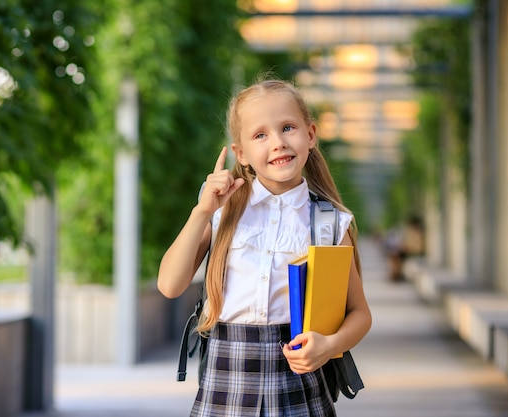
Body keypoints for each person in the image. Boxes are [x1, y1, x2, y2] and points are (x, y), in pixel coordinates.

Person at [157, 77, 372, 417]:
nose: (278, 143)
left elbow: (360, 313)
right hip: (225, 386)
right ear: (240, 153)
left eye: (288, 128)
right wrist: (202, 212)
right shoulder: (222, 212)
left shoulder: (329, 222)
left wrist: (330, 345)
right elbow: (169, 285)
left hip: (300, 385)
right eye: (260, 135)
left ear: (311, 135)